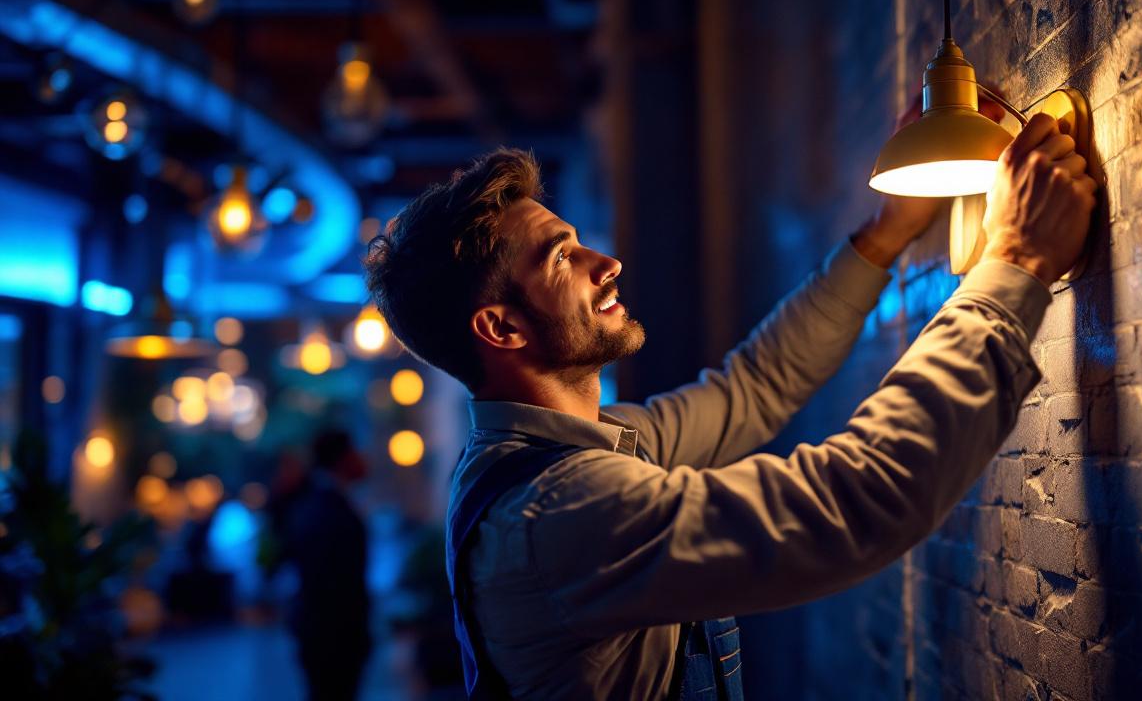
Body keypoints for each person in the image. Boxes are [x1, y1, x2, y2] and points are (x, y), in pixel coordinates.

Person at [363, 109, 1095, 700]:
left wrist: (888, 231)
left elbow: (755, 387)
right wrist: (1015, 263)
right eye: (561, 257)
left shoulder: (582, 452)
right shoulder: (562, 512)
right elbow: (860, 501)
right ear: (501, 327)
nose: (605, 264)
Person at [282, 429, 372, 701]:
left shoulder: (316, 505)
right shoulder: (328, 510)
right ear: (342, 459)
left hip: (323, 633)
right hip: (332, 637)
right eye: (356, 451)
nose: (362, 458)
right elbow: (334, 583)